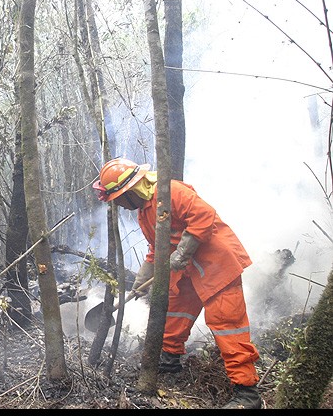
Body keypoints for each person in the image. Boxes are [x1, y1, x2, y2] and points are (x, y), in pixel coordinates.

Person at [93, 157, 262, 409]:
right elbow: (156, 249)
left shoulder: (171, 191)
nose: (119, 205)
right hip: (187, 272)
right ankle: (169, 362)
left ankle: (247, 393)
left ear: (130, 190)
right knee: (174, 313)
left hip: (216, 266)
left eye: (118, 199)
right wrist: (141, 280)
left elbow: (204, 215)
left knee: (227, 325)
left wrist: (182, 252)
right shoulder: (144, 212)